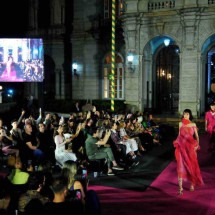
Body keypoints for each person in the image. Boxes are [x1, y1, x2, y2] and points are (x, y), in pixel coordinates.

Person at [173, 109, 204, 196]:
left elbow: (197, 136)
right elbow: (179, 135)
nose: (186, 115)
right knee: (180, 166)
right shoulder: (180, 124)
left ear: (190, 115)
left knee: (191, 166)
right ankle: (180, 188)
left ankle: (192, 183)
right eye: (184, 114)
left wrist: (197, 145)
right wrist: (176, 142)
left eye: (187, 114)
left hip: (191, 147)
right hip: (181, 147)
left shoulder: (193, 124)